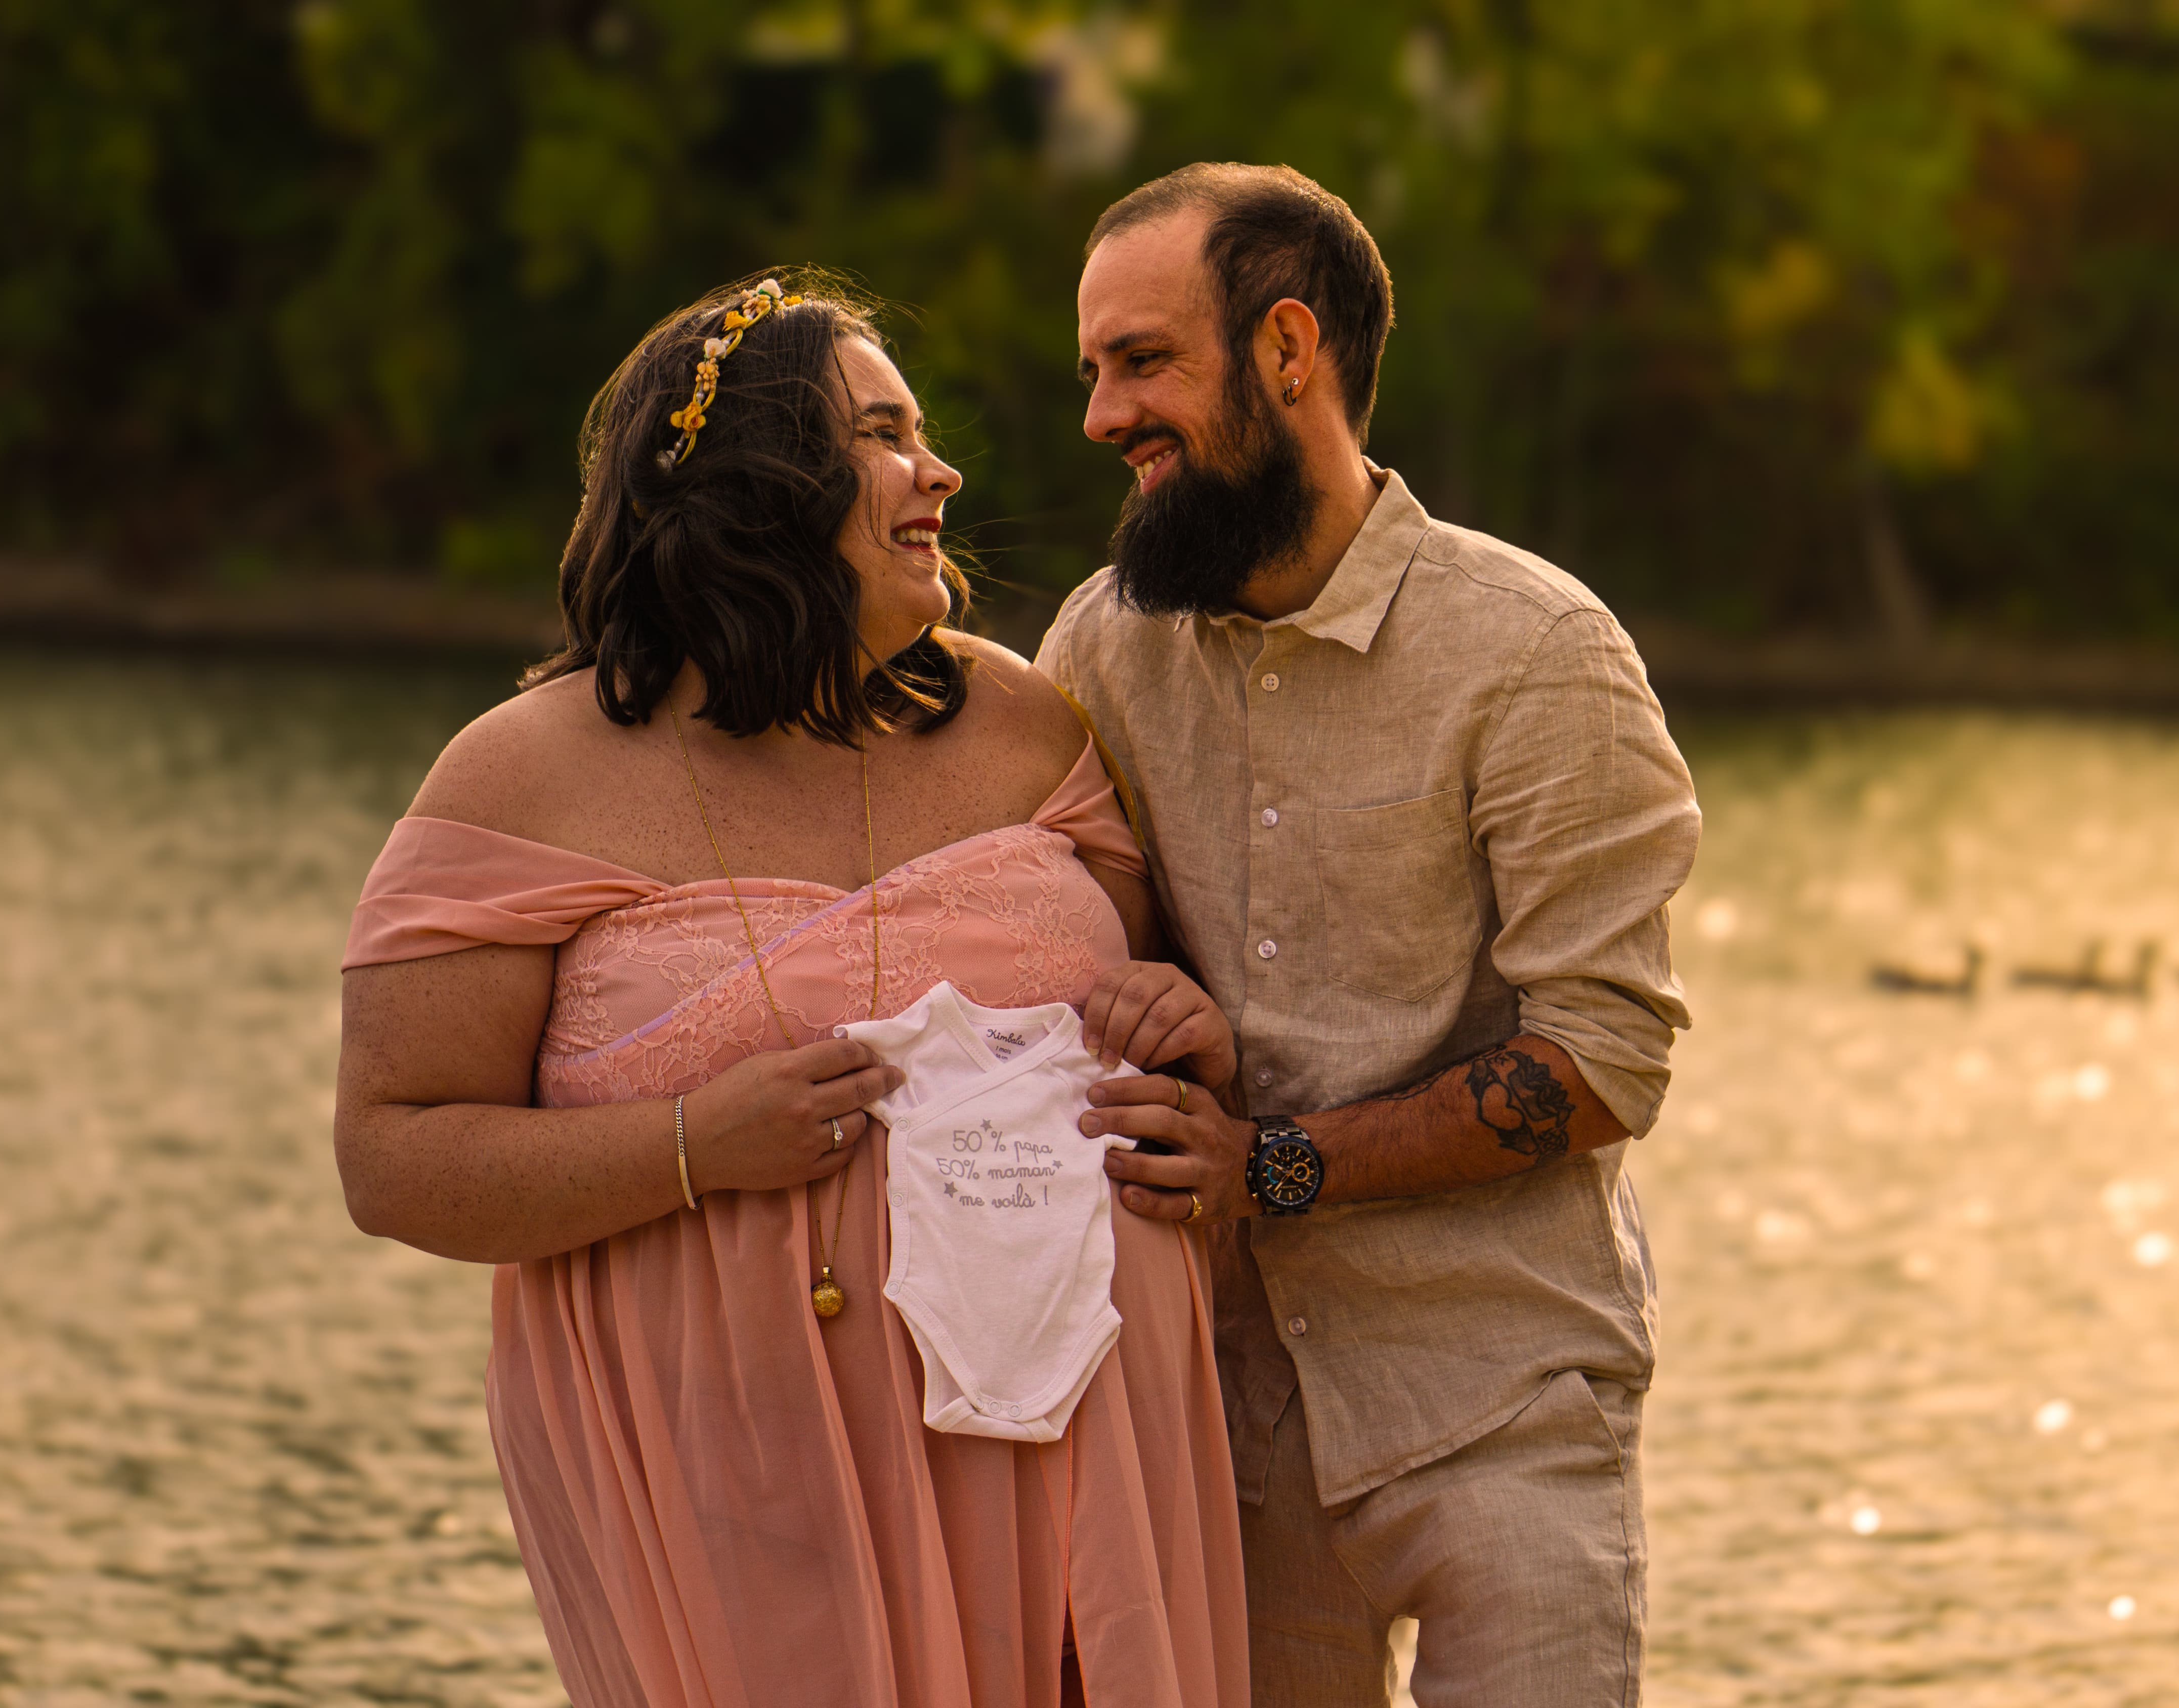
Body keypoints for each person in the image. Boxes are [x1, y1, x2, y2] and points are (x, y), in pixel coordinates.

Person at [333, 274, 1249, 1708]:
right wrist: (694, 1148)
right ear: (761, 491)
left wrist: (1185, 1045)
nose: (939, 470)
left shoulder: (1026, 724)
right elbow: (393, 1161)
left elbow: (1147, 1020)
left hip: (1079, 1444)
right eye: (884, 436)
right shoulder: (522, 774)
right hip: (739, 1472)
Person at [1043, 166, 1701, 1706]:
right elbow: (1062, 947)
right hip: (1223, 1425)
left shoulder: (1539, 655)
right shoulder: (1093, 648)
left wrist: (1271, 1165)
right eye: (1092, 370)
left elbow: (1604, 1062)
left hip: (1507, 1406)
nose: (1101, 416)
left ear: (1288, 353)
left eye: (1143, 362)